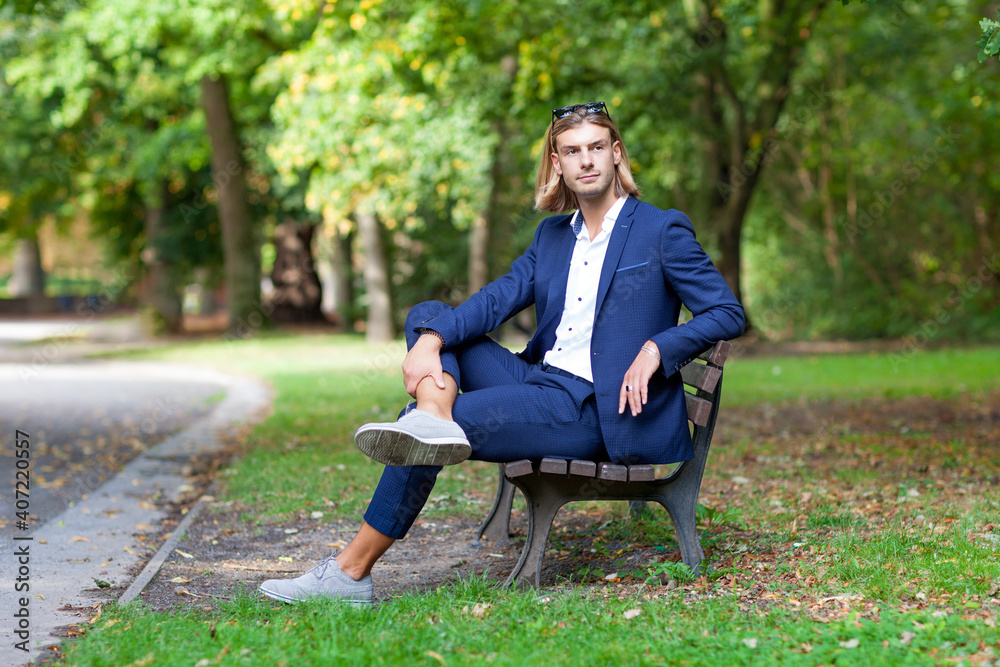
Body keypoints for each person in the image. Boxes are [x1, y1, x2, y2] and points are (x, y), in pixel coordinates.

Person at [259, 101, 745, 604]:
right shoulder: (553, 237)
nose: (586, 161)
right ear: (557, 163)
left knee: (438, 420)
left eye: (597, 148)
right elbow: (496, 300)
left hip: (592, 411)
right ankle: (431, 414)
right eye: (572, 151)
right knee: (429, 315)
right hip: (539, 382)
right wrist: (431, 341)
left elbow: (727, 313)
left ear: (616, 153)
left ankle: (350, 571)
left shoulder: (659, 231)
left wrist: (656, 348)